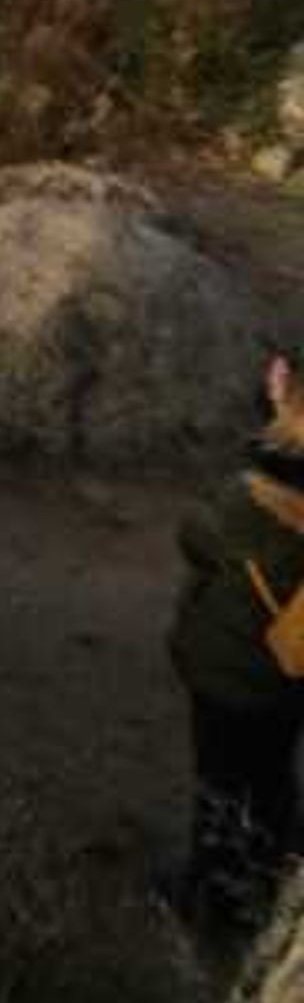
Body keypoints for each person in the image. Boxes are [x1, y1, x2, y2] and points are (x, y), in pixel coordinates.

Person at [166, 351, 304, 933]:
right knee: (273, 775)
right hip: (291, 672)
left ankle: (214, 901)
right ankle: (272, 876)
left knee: (222, 784)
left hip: (238, 668)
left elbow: (198, 536)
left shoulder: (257, 496)